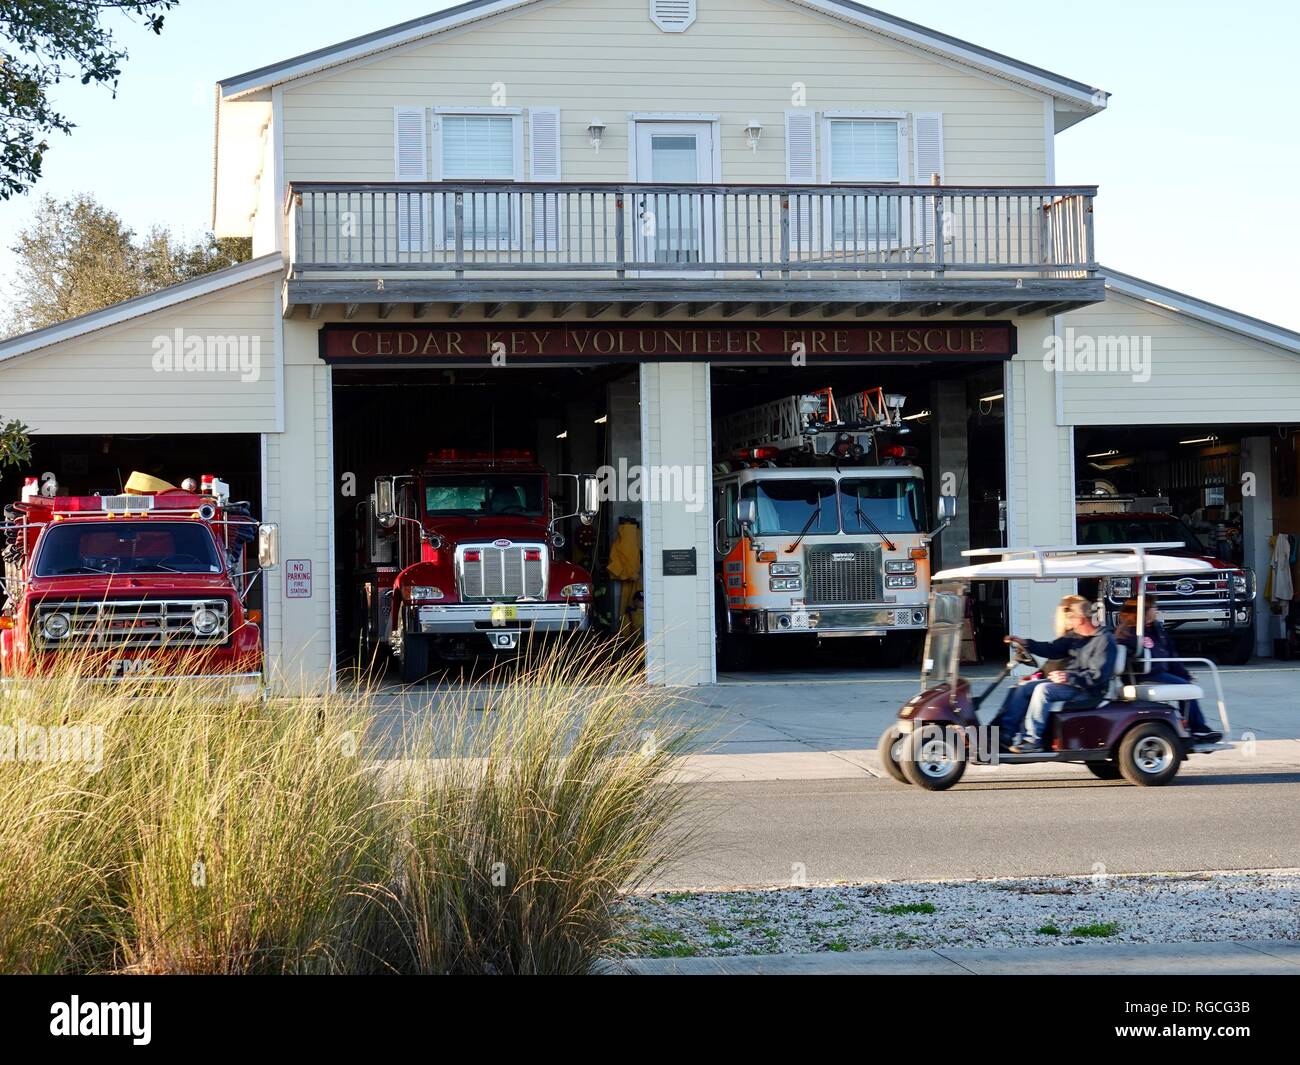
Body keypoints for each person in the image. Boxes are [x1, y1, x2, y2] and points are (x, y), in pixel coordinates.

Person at [1006, 595, 1118, 753]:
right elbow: (1052, 649)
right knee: (1023, 688)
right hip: (1072, 684)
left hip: (1089, 691)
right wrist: (1026, 643)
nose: (1068, 622)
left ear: (1080, 619)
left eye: (1071, 618)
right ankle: (1005, 734)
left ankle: (1032, 740)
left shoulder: (1104, 640)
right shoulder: (1075, 636)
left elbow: (1098, 676)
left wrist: (1069, 677)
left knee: (1043, 690)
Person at [1116, 598, 1221, 743]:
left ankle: (1191, 726)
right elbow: (1127, 653)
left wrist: (1184, 675)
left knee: (1185, 685)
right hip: (1143, 676)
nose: (1156, 610)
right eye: (1153, 608)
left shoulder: (1156, 630)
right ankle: (1198, 729)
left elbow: (1171, 656)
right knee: (1184, 688)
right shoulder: (1128, 633)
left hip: (1159, 673)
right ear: (1142, 611)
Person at [991, 596, 1084, 745]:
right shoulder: (1071, 638)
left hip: (1074, 684)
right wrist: (1035, 673)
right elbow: (1051, 662)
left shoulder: (1079, 639)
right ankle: (1003, 732)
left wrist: (1028, 645)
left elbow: (1052, 653)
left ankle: (1022, 737)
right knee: (1017, 688)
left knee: (1035, 689)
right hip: (1064, 679)